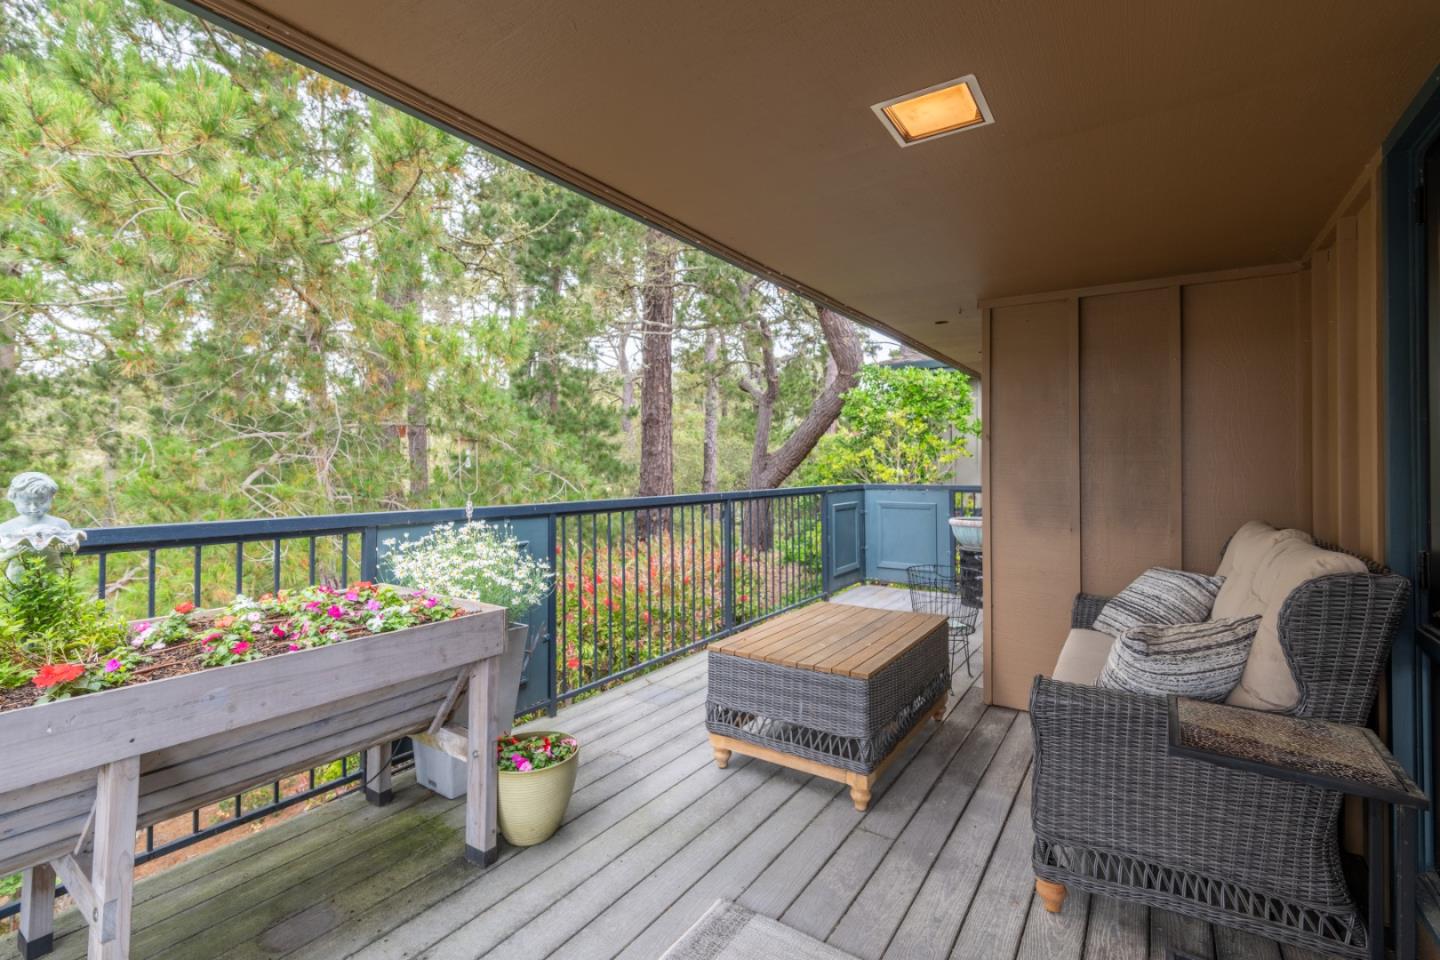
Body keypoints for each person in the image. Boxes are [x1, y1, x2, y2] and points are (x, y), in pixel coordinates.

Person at [0, 471, 83, 581]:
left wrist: (67, 548)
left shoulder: (60, 524)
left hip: (52, 577)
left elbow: (73, 544)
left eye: (41, 502)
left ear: (51, 498)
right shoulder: (6, 527)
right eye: (26, 503)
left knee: (54, 597)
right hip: (19, 581)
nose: (33, 508)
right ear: (13, 499)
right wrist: (11, 553)